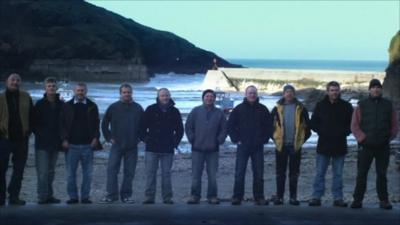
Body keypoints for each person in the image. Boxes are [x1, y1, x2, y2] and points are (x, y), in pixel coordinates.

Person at [350, 79, 398, 210]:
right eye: (373, 87)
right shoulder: (362, 105)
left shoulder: (388, 105)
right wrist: (362, 139)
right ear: (369, 89)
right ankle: (357, 200)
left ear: (381, 90)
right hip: (366, 146)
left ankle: (384, 200)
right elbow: (354, 125)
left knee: (382, 175)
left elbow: (394, 125)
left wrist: (389, 138)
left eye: (378, 87)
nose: (376, 89)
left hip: (383, 146)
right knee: (361, 174)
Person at [308, 81, 353, 207]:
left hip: (340, 144)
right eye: (332, 90)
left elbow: (352, 124)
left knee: (338, 174)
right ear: (327, 92)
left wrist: (344, 132)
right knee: (320, 173)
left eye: (336, 90)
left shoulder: (346, 106)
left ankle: (338, 198)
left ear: (339, 91)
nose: (334, 92)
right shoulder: (320, 105)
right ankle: (316, 197)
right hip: (324, 144)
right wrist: (322, 131)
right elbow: (313, 123)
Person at [228, 85, 272, 206]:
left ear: (257, 94)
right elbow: (230, 125)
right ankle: (237, 197)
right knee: (239, 173)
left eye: (254, 93)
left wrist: (264, 139)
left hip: (258, 146)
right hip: (243, 146)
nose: (252, 95)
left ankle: (259, 197)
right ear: (245, 95)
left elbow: (269, 127)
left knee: (258, 174)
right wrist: (236, 139)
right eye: (250, 93)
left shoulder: (263, 109)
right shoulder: (238, 109)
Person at [100, 83, 144, 204]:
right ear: (120, 93)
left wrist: (140, 138)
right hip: (117, 145)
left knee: (129, 172)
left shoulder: (138, 108)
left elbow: (144, 125)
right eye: (124, 92)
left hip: (132, 146)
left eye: (128, 92)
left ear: (131, 93)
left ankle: (126, 196)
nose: (126, 94)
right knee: (112, 170)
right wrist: (109, 138)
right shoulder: (113, 107)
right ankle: (111, 195)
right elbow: (104, 124)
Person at [60, 82, 101, 204]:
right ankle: (73, 197)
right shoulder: (67, 106)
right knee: (70, 175)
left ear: (86, 91)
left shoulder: (92, 106)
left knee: (87, 174)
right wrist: (64, 139)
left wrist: (96, 138)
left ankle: (85, 197)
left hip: (88, 145)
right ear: (74, 91)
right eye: (78, 90)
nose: (80, 92)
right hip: (71, 145)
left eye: (82, 90)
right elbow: (61, 124)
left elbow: (96, 124)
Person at [141, 88, 183, 204]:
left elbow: (180, 130)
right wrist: (146, 139)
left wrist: (175, 143)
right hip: (152, 148)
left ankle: (167, 198)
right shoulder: (150, 109)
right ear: (158, 97)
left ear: (169, 96)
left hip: (167, 148)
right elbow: (142, 127)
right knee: (150, 174)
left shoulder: (174, 111)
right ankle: (149, 197)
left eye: (167, 95)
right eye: (163, 95)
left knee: (166, 175)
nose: (165, 97)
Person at [271, 84, 311, 206]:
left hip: (295, 146)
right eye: (287, 92)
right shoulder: (277, 108)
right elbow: (270, 127)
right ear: (283, 94)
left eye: (291, 92)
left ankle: (293, 197)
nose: (289, 94)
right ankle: (280, 197)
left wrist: (300, 142)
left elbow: (308, 128)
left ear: (294, 94)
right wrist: (275, 140)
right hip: (281, 146)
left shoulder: (301, 108)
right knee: (280, 173)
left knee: (294, 173)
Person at [185, 89, 227, 204]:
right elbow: (188, 127)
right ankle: (195, 196)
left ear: (214, 98)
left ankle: (212, 196)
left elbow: (224, 129)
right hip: (197, 149)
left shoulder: (219, 113)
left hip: (213, 150)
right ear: (203, 98)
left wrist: (219, 140)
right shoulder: (195, 111)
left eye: (211, 96)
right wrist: (192, 139)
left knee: (212, 175)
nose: (209, 98)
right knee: (196, 175)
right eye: (207, 96)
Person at [0, 73, 33, 206]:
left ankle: (14, 196)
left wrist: (29, 131)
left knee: (19, 170)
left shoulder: (26, 96)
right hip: (3, 139)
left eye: (17, 80)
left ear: (20, 82)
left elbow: (33, 116)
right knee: (1, 170)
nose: (15, 82)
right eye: (12, 80)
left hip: (21, 139)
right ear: (6, 82)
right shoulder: (1, 97)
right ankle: (0, 197)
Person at [33, 77, 64, 204]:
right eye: (49, 86)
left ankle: (49, 195)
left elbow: (64, 123)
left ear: (56, 88)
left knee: (51, 171)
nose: (51, 88)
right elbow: (34, 124)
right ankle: (42, 197)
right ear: (45, 88)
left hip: (56, 143)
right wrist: (41, 135)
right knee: (43, 172)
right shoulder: (39, 104)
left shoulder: (62, 104)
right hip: (42, 143)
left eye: (53, 86)